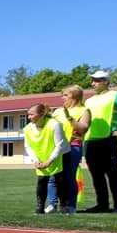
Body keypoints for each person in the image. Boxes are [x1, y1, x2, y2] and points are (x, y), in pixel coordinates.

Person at [79, 71, 117, 213]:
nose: (93, 83)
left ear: (106, 81)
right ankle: (102, 205)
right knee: (96, 175)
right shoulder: (89, 101)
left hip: (108, 140)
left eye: (97, 80)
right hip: (90, 141)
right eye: (92, 80)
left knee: (112, 174)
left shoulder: (116, 96)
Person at [47, 86, 90, 214]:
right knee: (53, 177)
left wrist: (70, 118)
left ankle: (70, 206)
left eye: (65, 95)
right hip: (57, 147)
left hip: (73, 146)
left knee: (69, 177)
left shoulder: (84, 110)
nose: (62, 98)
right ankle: (52, 204)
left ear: (75, 96)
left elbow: (83, 128)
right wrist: (46, 116)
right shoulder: (58, 111)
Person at [23, 103, 70, 214]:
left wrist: (50, 160)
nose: (29, 117)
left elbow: (60, 145)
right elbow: (27, 146)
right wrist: (35, 160)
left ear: (42, 114)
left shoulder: (54, 125)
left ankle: (64, 206)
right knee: (42, 180)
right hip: (41, 156)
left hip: (60, 154)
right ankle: (40, 207)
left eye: (31, 114)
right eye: (28, 115)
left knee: (60, 180)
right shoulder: (27, 129)